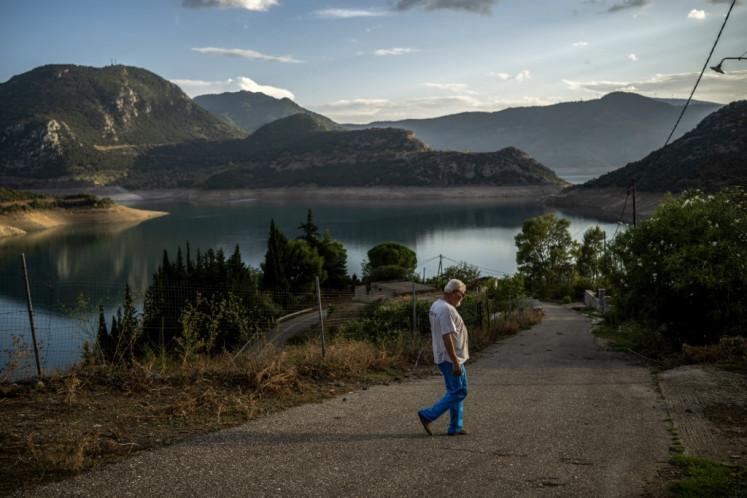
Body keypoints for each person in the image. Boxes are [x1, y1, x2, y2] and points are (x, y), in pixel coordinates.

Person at [418, 279, 470, 436]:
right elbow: (446, 336)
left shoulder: (437, 305)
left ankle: (455, 426)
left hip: (447, 357)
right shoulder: (446, 309)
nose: (463, 297)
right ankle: (428, 415)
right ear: (454, 293)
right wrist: (455, 361)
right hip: (450, 359)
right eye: (462, 294)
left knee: (454, 391)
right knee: (460, 391)